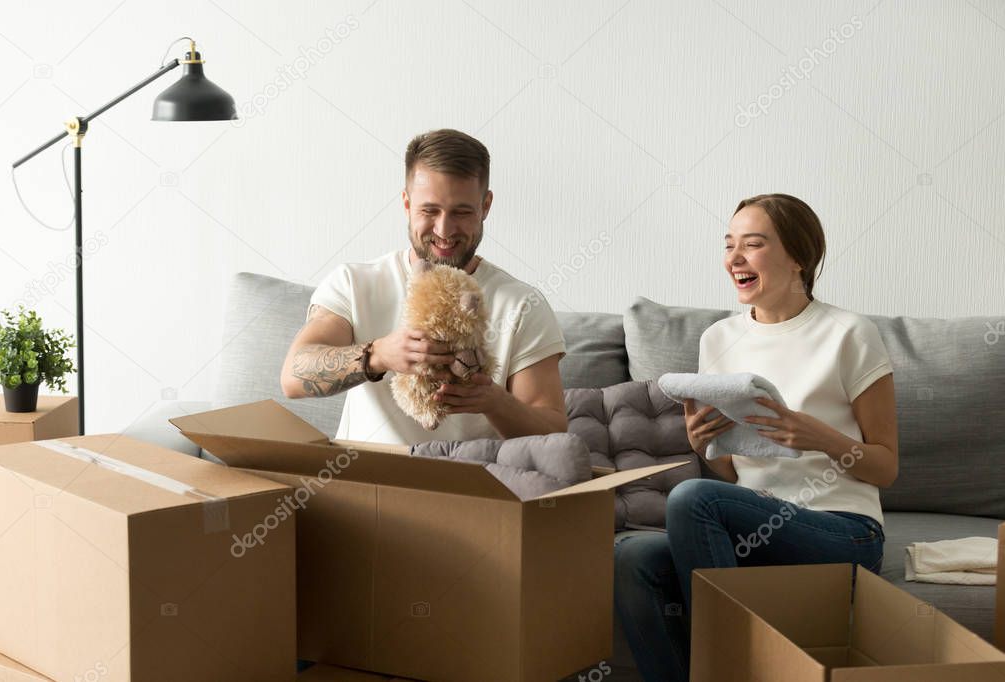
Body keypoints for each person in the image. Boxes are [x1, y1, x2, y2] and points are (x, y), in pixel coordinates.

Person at [614, 193, 898, 681]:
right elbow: (729, 473)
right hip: (749, 525)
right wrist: (702, 444)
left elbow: (886, 467)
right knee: (632, 555)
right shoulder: (718, 339)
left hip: (841, 529)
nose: (734, 258)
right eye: (729, 245)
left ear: (799, 258)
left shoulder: (850, 333)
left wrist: (819, 437)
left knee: (691, 498)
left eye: (753, 244)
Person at [280, 128, 567, 445]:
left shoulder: (523, 304)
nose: (444, 230)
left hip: (470, 489)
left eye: (462, 212)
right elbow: (294, 377)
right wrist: (377, 355)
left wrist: (494, 402)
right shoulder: (353, 282)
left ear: (485, 206)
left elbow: (553, 433)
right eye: (429, 211)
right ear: (406, 203)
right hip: (361, 483)